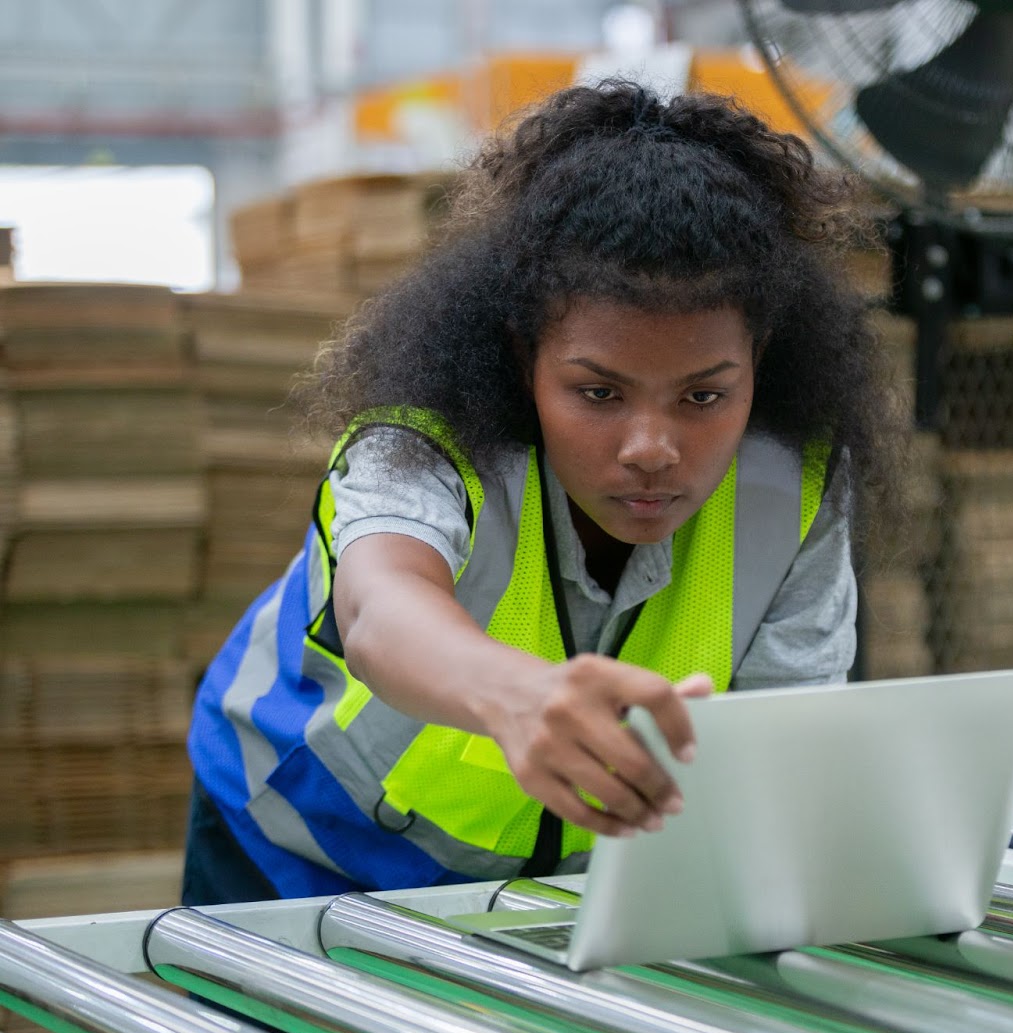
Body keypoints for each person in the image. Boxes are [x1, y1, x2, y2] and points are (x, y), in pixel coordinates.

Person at [182, 81, 899, 905]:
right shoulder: (419, 445)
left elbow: (776, 749)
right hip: (297, 838)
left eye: (703, 396)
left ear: (761, 358)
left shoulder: (793, 487)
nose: (651, 450)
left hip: (550, 887)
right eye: (598, 393)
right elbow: (380, 610)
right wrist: (525, 698)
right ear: (524, 354)